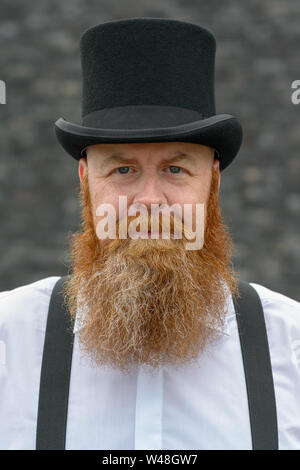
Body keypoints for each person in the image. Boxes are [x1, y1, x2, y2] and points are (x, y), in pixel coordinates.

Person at [0, 17, 300, 451]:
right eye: (123, 170)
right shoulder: (9, 343)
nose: (150, 201)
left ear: (213, 183)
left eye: (175, 169)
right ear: (85, 181)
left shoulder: (290, 347)